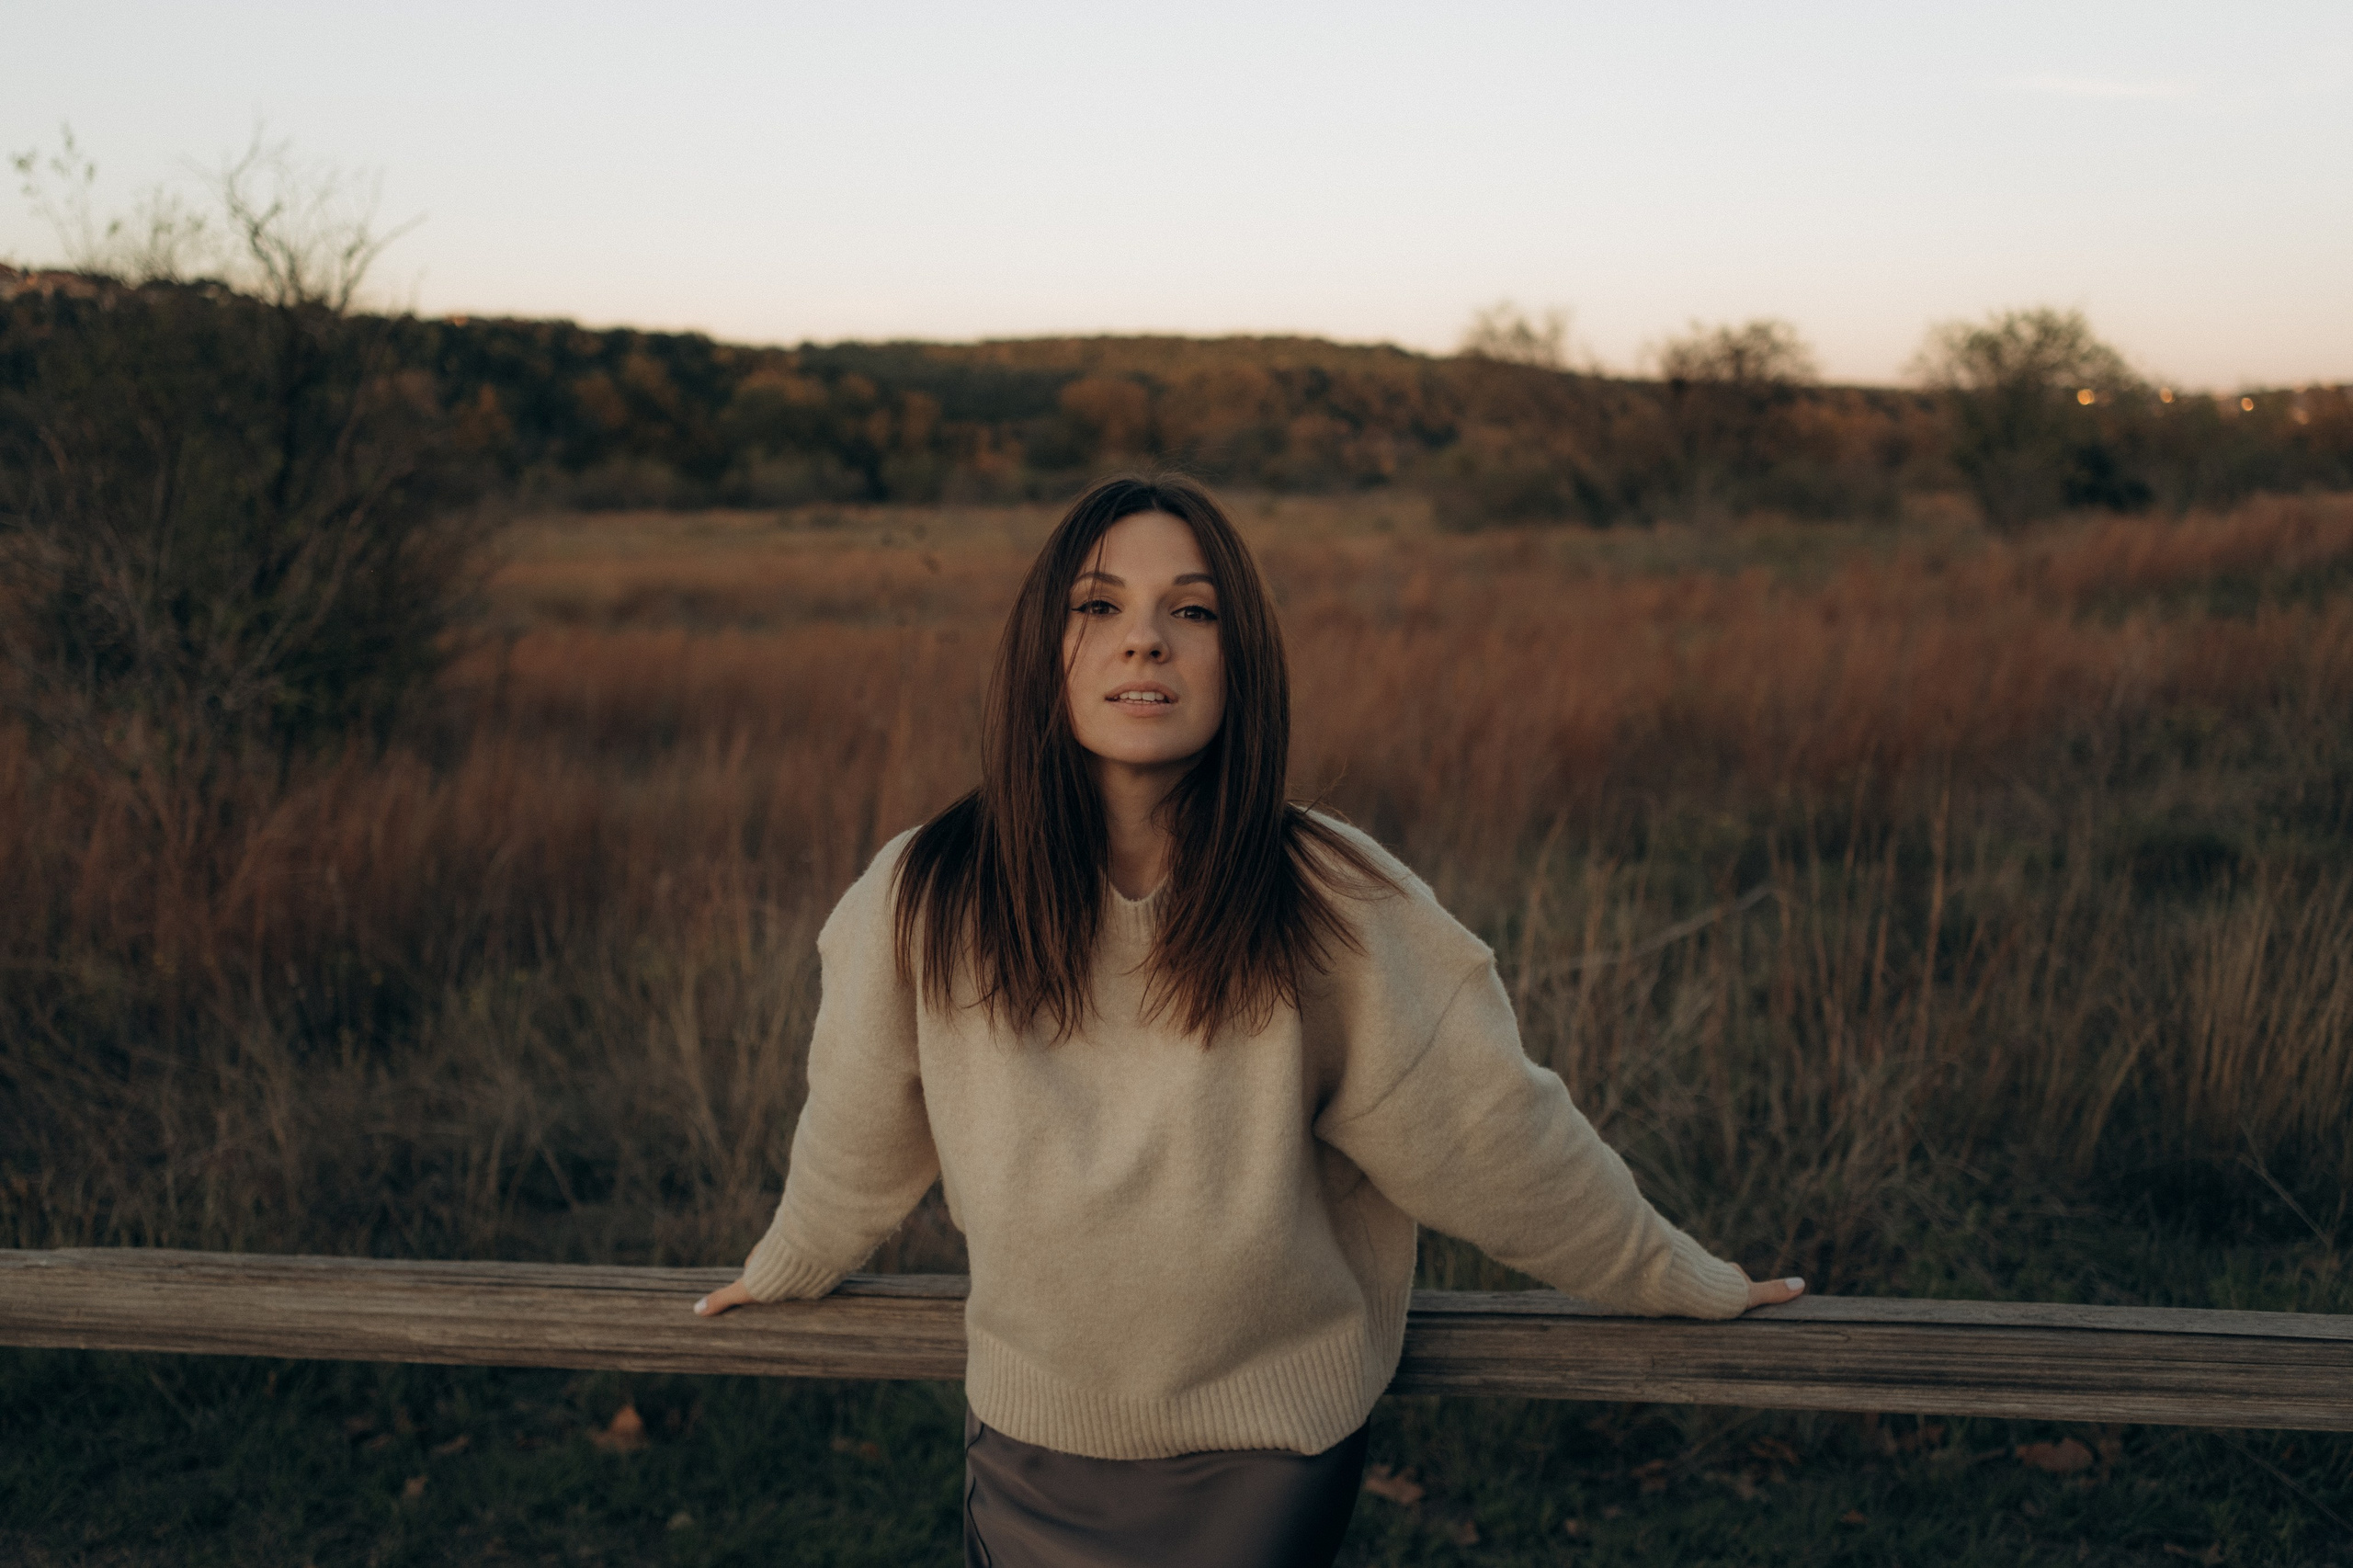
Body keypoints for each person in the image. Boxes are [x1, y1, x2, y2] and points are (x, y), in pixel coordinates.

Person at [692, 473, 1804, 1567]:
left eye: (1192, 609)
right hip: (1033, 1433)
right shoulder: (922, 891)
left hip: (1265, 1450)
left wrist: (1673, 1274)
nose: (1145, 640)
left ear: (1243, 657)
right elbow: (853, 1124)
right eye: (1098, 606)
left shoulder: (1334, 896)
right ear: (1045, 648)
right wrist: (789, 1256)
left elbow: (1495, 1135)